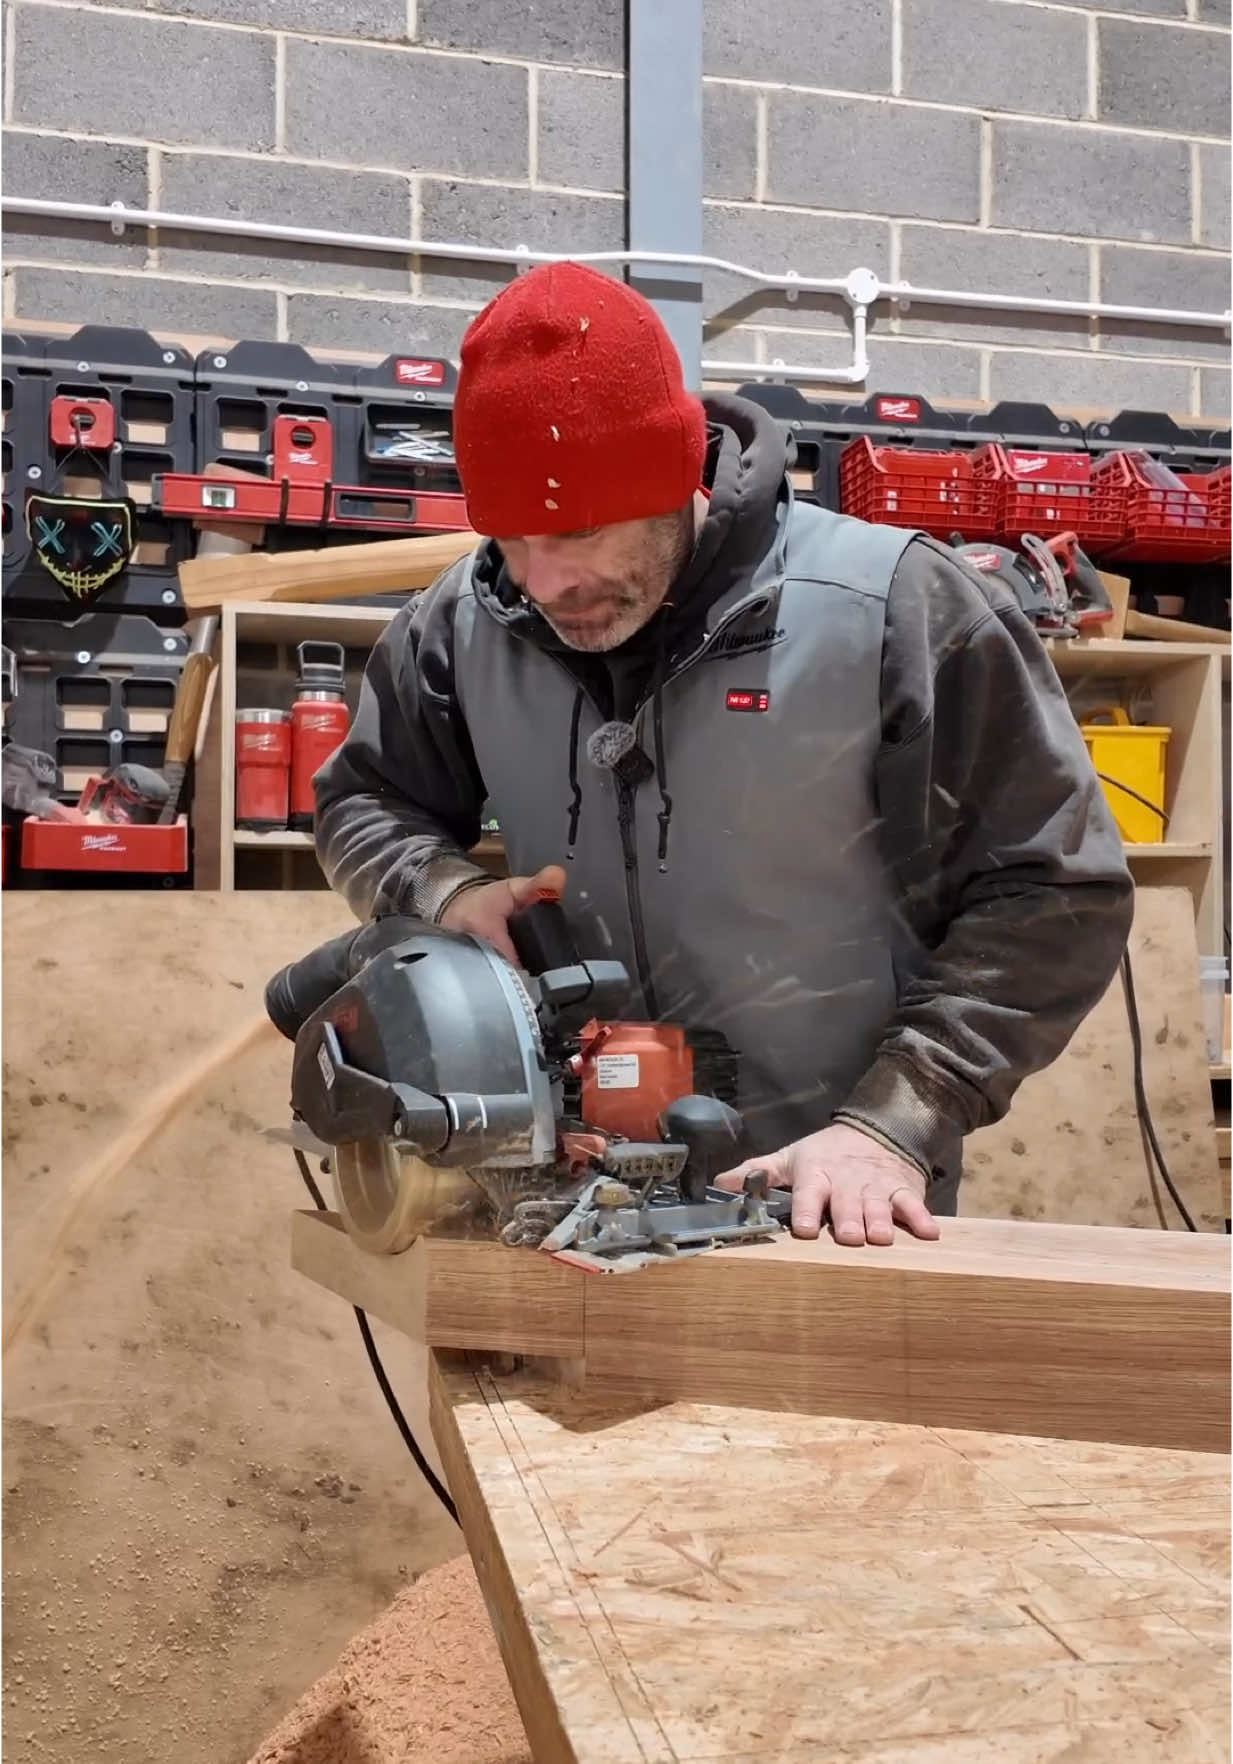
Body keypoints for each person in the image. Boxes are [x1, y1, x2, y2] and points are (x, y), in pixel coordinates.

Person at [314, 261, 1134, 1248]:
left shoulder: (892, 610)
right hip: (565, 1194)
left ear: (675, 479)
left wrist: (898, 1118)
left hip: (825, 1193)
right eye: (512, 540)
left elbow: (1052, 892)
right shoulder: (461, 622)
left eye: (579, 532)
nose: (546, 580)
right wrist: (445, 889)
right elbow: (363, 802)